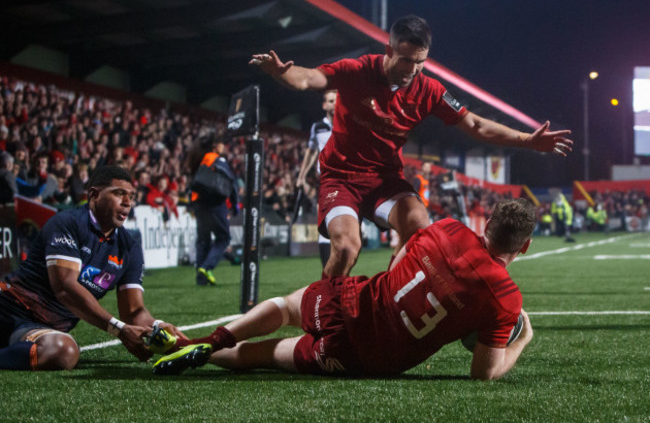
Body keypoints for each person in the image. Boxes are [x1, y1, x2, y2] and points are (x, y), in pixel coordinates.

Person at [249, 15, 572, 278]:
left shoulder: (429, 89)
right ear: (388, 50)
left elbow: (474, 124)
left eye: (420, 62)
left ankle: (388, 299)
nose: (411, 70)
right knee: (347, 247)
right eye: (405, 60)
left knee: (420, 226)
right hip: (341, 178)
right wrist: (284, 74)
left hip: (385, 181)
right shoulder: (357, 70)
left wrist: (527, 140)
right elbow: (310, 79)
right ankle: (325, 316)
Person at [153, 198, 536, 380]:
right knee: (266, 355)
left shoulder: (449, 228)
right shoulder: (505, 299)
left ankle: (205, 339)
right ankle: (202, 353)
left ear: (485, 225)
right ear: (524, 246)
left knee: (284, 307)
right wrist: (521, 339)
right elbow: (484, 375)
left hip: (353, 300)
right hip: (369, 356)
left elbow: (402, 256)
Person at [0, 165, 187, 370]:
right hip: (8, 308)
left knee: (63, 351)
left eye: (131, 196)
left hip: (37, 329)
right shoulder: (67, 223)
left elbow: (133, 312)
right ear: (94, 195)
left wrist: (157, 328)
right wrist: (119, 330)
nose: (127, 203)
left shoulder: (129, 248)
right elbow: (65, 288)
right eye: (119, 194)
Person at [186, 134, 239, 286]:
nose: (224, 146)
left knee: (203, 240)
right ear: (215, 146)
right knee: (224, 238)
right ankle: (206, 267)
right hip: (215, 203)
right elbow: (231, 183)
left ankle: (201, 278)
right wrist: (235, 204)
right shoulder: (218, 159)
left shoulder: (200, 159)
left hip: (199, 204)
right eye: (222, 144)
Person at [296, 90, 337, 267]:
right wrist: (301, 175)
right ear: (324, 105)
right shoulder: (318, 127)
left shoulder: (349, 124)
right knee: (325, 224)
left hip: (348, 180)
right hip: (327, 180)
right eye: (330, 101)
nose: (334, 104)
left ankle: (339, 268)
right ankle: (327, 272)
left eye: (337, 101)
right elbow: (311, 150)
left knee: (344, 226)